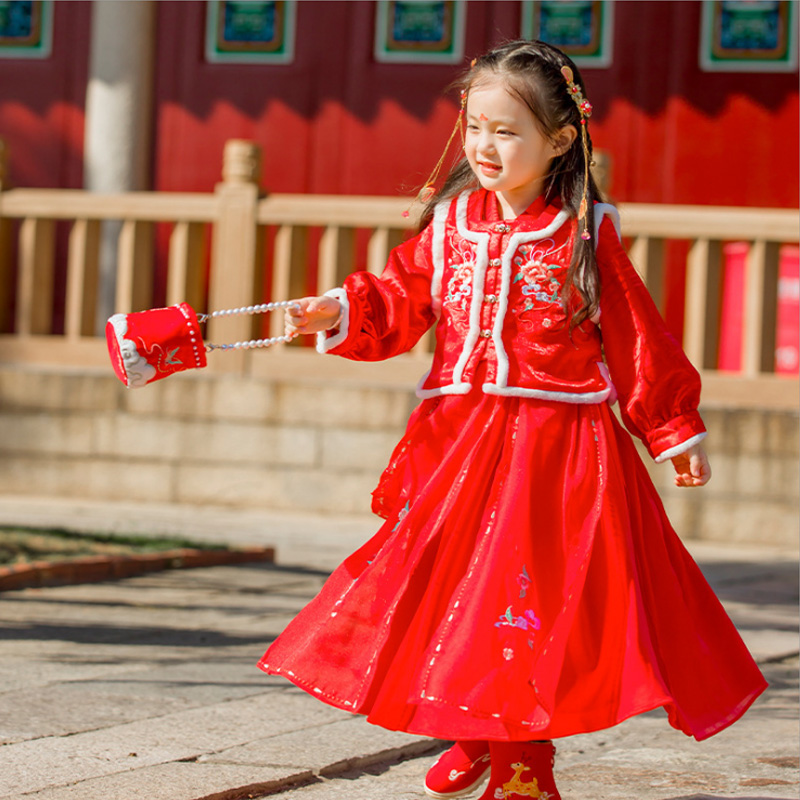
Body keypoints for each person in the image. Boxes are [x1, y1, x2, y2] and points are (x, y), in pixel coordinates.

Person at [257, 40, 766, 800]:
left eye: (507, 131)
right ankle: (478, 727)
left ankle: (524, 756)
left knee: (524, 601)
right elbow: (403, 300)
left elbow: (633, 334)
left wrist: (670, 428)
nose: (485, 148)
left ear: (561, 140)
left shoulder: (584, 232)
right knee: (439, 586)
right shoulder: (451, 222)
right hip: (458, 440)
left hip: (557, 450)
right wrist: (340, 308)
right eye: (475, 128)